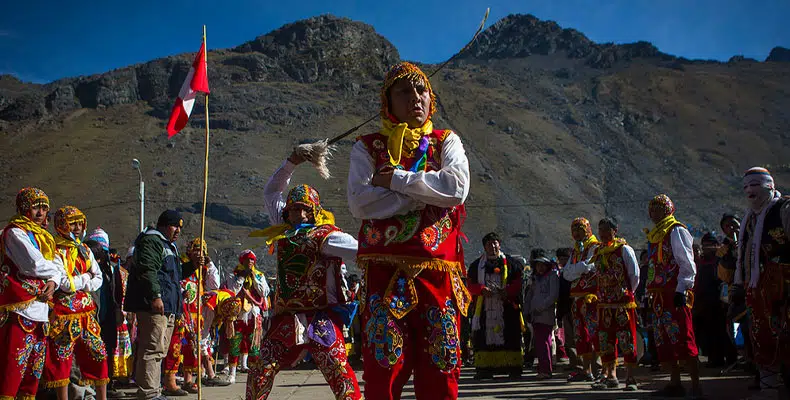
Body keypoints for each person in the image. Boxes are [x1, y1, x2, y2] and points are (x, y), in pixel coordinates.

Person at [347, 61, 471, 400]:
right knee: (382, 373)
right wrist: (423, 196)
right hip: (384, 276)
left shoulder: (447, 141)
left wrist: (395, 181)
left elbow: (456, 188)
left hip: (437, 275)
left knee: (441, 370)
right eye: (404, 90)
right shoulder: (367, 146)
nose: (415, 97)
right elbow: (359, 202)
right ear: (388, 102)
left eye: (421, 90)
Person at [245, 149, 362, 400]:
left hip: (321, 319)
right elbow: (271, 192)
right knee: (261, 370)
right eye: (293, 209)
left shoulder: (326, 236)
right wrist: (292, 162)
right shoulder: (283, 230)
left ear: (314, 211)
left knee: (338, 369)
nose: (298, 214)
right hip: (286, 318)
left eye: (304, 209)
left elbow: (360, 250)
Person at [124, 210, 201, 400]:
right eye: (175, 226)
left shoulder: (169, 246)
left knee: (160, 349)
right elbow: (148, 270)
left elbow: (174, 276)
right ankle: (149, 393)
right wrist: (155, 295)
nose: (178, 231)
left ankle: (154, 389)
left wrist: (192, 265)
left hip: (168, 306)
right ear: (164, 225)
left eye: (180, 228)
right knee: (153, 348)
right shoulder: (152, 241)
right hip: (154, 305)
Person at [731, 167, 790, 398]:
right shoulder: (749, 219)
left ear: (769, 186)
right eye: (746, 186)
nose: (749, 191)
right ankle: (769, 388)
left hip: (784, 287)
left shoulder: (783, 209)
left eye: (755, 185)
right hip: (758, 292)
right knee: (762, 337)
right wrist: (738, 285)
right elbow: (743, 256)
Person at [40, 206, 109, 400]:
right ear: (62, 225)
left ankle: (102, 397)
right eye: (72, 223)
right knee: (62, 358)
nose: (77, 227)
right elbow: (64, 283)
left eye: (80, 223)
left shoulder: (85, 249)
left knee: (98, 353)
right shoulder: (54, 250)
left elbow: (99, 279)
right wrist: (85, 278)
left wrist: (79, 281)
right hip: (63, 312)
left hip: (87, 311)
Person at [0, 187, 63, 399]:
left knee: (33, 371)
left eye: (44, 208)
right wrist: (55, 274)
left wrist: (54, 281)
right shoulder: (15, 232)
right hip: (20, 307)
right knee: (12, 369)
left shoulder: (45, 238)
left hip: (41, 309)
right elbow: (33, 265)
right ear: (23, 208)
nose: (40, 213)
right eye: (35, 207)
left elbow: (58, 268)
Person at [644, 194, 702, 398]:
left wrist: (682, 288)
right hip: (659, 296)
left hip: (675, 292)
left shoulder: (676, 230)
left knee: (683, 338)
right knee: (663, 340)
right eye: (652, 210)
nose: (654, 213)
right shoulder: (655, 235)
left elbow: (686, 262)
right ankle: (675, 383)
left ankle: (696, 386)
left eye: (659, 209)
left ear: (668, 209)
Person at [162, 237, 225, 394]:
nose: (199, 253)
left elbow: (214, 285)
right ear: (189, 251)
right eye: (196, 250)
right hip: (182, 312)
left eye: (202, 250)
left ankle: (189, 380)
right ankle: (169, 381)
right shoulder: (181, 265)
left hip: (197, 314)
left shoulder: (203, 269)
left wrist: (209, 265)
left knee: (193, 347)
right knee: (176, 346)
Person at [586, 218, 639, 391]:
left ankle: (631, 378)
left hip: (622, 303)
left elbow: (634, 275)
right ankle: (611, 375)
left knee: (627, 340)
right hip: (604, 304)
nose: (602, 233)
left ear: (615, 230)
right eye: (600, 229)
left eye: (606, 229)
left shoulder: (624, 249)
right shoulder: (598, 251)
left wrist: (626, 293)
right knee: (605, 340)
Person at [467, 232, 523, 379]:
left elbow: (518, 281)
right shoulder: (476, 266)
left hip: (507, 307)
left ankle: (512, 367)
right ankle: (485, 369)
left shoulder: (511, 263)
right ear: (484, 247)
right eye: (489, 244)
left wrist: (508, 291)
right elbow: (470, 284)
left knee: (510, 335)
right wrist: (481, 290)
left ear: (499, 244)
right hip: (484, 307)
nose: (493, 246)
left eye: (495, 243)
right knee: (483, 337)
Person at [561, 218, 601, 383]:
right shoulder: (575, 251)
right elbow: (566, 273)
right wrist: (578, 270)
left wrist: (575, 270)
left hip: (591, 297)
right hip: (577, 298)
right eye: (575, 229)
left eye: (581, 229)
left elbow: (589, 266)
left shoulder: (595, 247)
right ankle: (586, 370)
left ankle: (599, 367)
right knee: (581, 335)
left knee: (595, 332)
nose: (577, 233)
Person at [693, 232, 736, 368]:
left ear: (717, 246)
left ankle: (731, 358)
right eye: (705, 245)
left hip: (720, 301)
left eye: (710, 245)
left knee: (725, 332)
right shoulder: (700, 262)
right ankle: (714, 359)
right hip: (704, 303)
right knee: (709, 332)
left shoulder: (721, 260)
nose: (707, 248)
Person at [226, 249, 268, 384]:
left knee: (254, 345)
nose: (250, 262)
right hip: (238, 315)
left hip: (253, 314)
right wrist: (241, 278)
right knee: (234, 344)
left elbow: (263, 292)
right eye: (247, 259)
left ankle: (255, 373)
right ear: (242, 260)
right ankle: (232, 373)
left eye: (252, 260)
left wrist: (254, 278)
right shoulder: (233, 275)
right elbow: (232, 291)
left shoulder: (260, 275)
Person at [523, 249, 559, 379]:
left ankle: (546, 369)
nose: (540, 267)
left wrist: (541, 306)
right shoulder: (534, 279)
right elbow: (529, 297)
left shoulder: (552, 276)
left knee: (544, 342)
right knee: (539, 343)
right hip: (535, 315)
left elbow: (553, 295)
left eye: (543, 265)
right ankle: (542, 368)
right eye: (538, 265)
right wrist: (526, 311)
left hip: (545, 315)